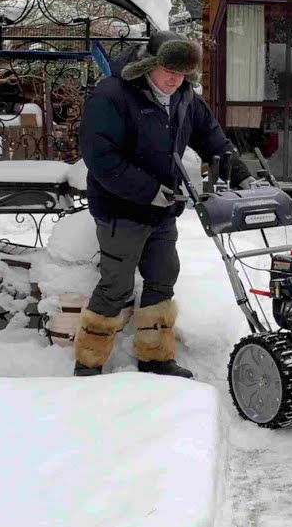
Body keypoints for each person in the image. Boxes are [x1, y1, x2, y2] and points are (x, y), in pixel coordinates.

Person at [74, 30, 257, 378]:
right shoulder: (112, 95)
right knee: (116, 286)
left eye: (181, 73)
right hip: (121, 209)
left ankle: (155, 357)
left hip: (163, 208)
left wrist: (242, 175)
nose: (174, 79)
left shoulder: (185, 97)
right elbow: (101, 158)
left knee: (162, 278)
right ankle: (89, 362)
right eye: (168, 71)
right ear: (148, 65)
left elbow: (211, 138)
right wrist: (149, 191)